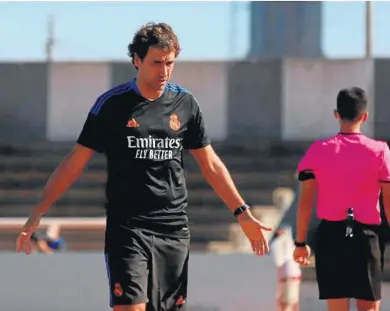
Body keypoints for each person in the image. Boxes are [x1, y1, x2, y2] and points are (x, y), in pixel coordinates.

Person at [16, 22, 271, 311]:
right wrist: (38, 212)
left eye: (170, 63)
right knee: (130, 308)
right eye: (156, 63)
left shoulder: (185, 104)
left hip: (173, 228)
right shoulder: (112, 105)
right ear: (137, 61)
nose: (163, 71)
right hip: (128, 227)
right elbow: (73, 163)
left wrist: (242, 212)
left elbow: (211, 164)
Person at [293, 87, 390, 311]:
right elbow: (389, 202)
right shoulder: (380, 151)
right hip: (366, 237)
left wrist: (300, 243)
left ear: (336, 114)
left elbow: (305, 202)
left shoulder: (318, 151)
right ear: (365, 116)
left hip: (331, 236)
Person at [271, 225, 301, 311]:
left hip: (286, 276)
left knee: (286, 304)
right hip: (290, 276)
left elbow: (278, 261)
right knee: (291, 303)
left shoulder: (278, 243)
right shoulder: (289, 243)